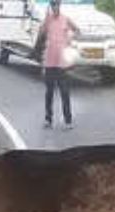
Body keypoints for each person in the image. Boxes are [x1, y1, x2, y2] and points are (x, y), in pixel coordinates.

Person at [41, 0, 80, 129]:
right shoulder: (48, 20)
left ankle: (68, 121)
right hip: (49, 62)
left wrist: (69, 40)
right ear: (51, 6)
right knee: (49, 92)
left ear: (60, 5)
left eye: (57, 4)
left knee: (64, 92)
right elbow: (41, 33)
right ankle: (48, 119)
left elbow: (77, 30)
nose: (55, 6)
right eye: (53, 4)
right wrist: (46, 18)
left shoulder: (65, 19)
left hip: (61, 63)